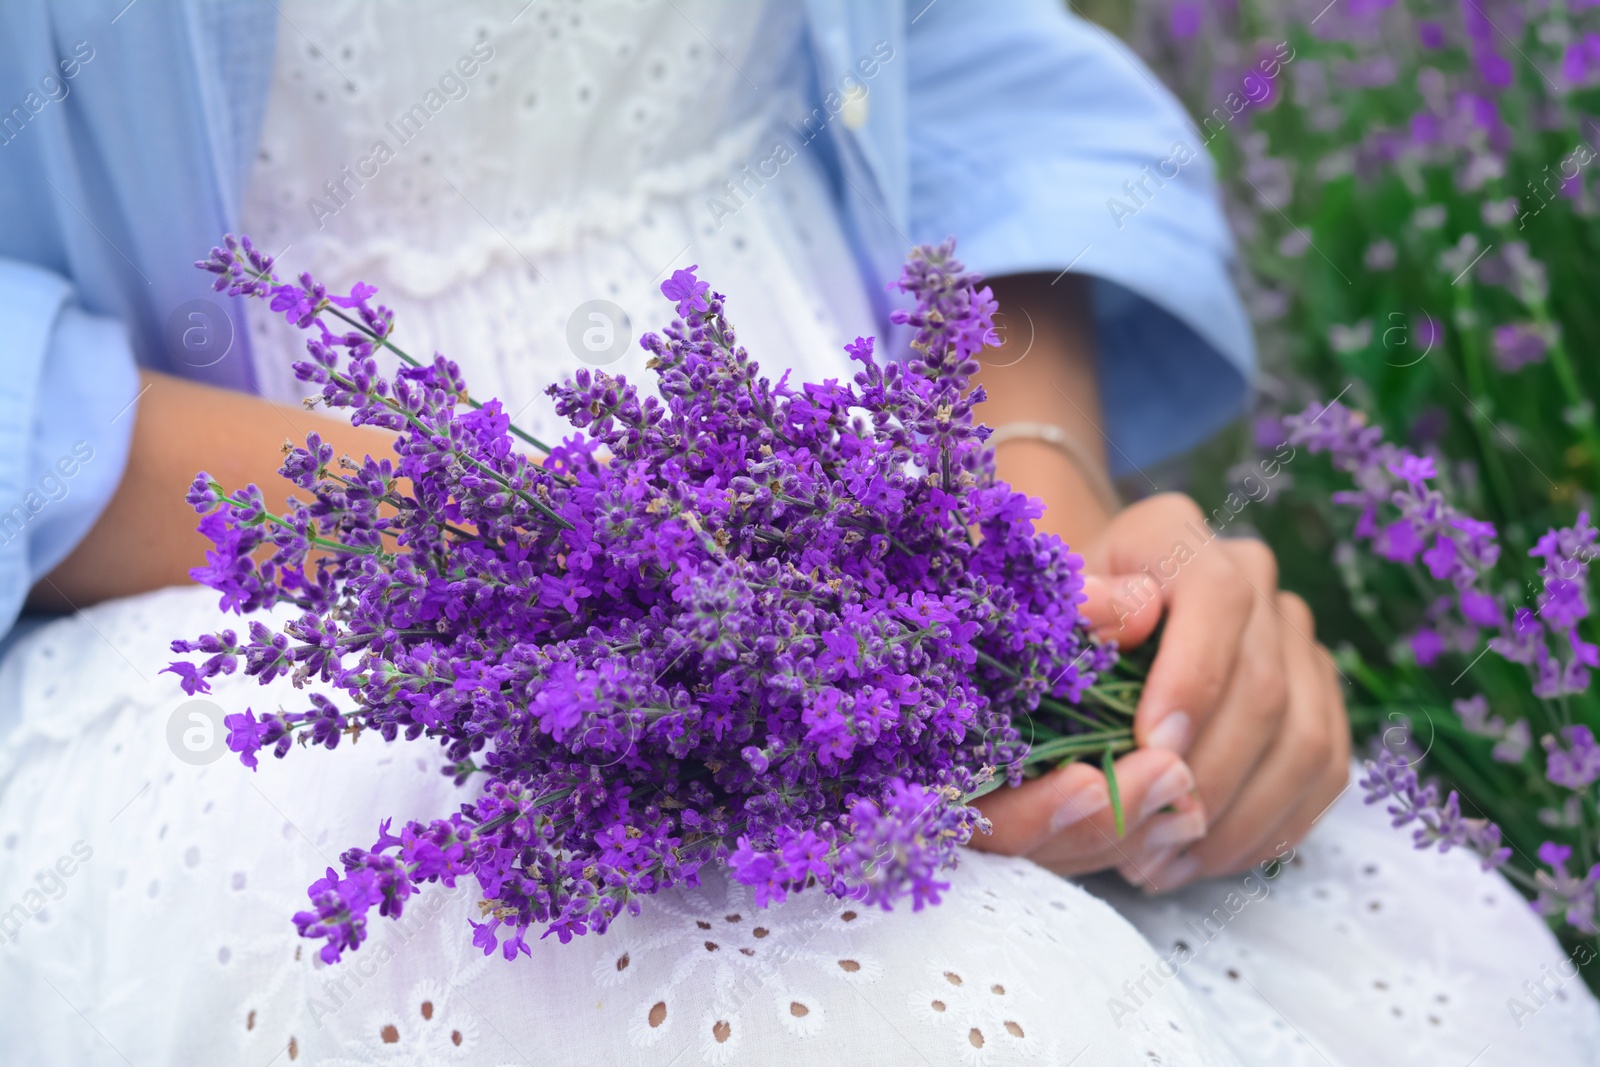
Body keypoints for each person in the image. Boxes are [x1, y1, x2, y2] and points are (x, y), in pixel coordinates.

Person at [0, 2, 1593, 1064]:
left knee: (1435, 992)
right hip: (267, 591)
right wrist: (525, 547)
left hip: (883, 485)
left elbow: (956, 64)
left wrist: (1043, 512)